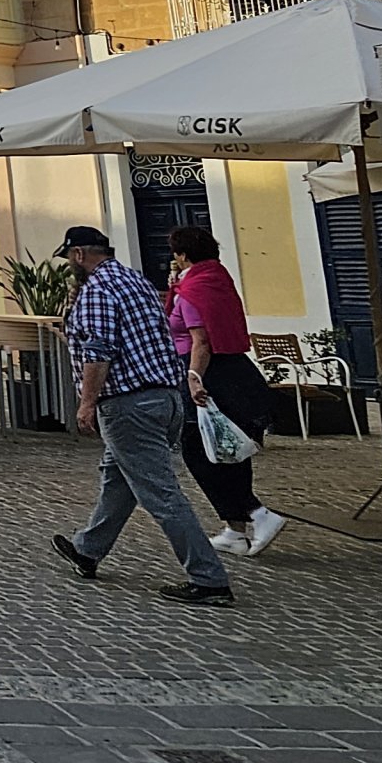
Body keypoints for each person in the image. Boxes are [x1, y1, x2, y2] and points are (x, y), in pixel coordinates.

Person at [50, 223, 233, 604]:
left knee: (161, 494)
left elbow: (98, 350)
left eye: (69, 257)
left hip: (128, 405)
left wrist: (87, 402)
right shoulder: (137, 281)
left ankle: (209, 579)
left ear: (79, 255)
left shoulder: (97, 291)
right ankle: (88, 549)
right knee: (117, 478)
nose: (70, 264)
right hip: (165, 397)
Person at [167, 224, 285, 558]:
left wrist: (194, 378)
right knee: (230, 447)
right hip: (235, 370)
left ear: (183, 255)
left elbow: (201, 342)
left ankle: (256, 513)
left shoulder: (192, 291)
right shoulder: (216, 279)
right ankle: (235, 530)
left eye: (175, 253)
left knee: (198, 450)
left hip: (208, 374)